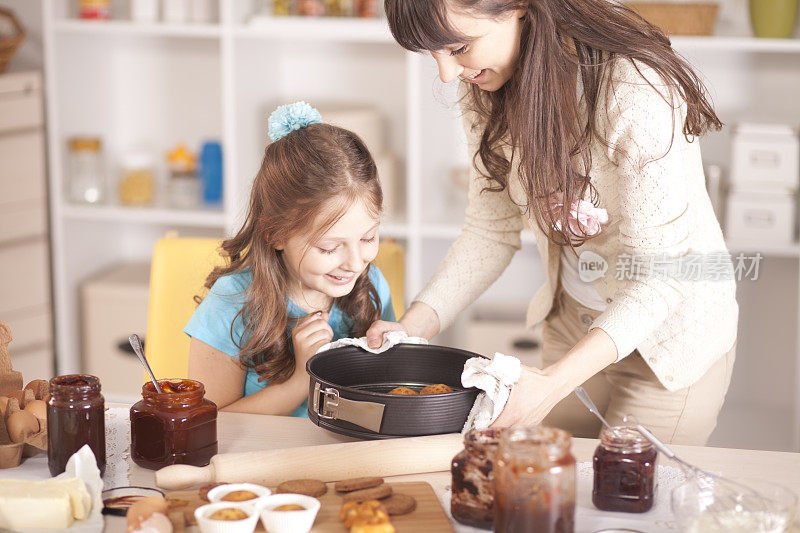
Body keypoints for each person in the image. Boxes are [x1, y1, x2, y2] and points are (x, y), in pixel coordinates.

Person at [367, 0, 738, 445]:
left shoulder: (635, 87)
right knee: (555, 491)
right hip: (573, 323)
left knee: (627, 500)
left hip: (668, 342)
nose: (448, 74)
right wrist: (412, 328)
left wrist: (552, 382)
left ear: (518, 6)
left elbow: (662, 277)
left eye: (460, 46)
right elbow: (490, 228)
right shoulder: (485, 83)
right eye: (434, 53)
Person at [186, 102, 395, 416]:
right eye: (329, 248)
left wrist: (397, 357)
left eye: (367, 238)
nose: (355, 262)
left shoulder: (372, 286)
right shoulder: (231, 303)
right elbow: (208, 422)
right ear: (276, 234)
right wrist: (301, 380)